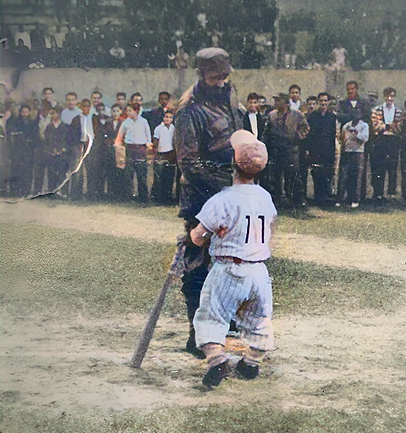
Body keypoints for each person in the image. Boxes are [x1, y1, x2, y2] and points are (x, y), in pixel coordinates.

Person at [190, 130, 277, 388]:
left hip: (230, 269)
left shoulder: (224, 198)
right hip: (260, 271)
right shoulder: (265, 196)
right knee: (259, 319)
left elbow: (198, 236)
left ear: (233, 164)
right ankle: (251, 362)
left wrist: (198, 235)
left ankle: (218, 361)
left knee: (210, 316)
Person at [173, 47, 244, 357]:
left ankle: (225, 328)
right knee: (198, 268)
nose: (221, 82)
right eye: (215, 77)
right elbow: (188, 162)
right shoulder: (189, 110)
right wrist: (222, 194)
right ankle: (197, 335)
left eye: (225, 76)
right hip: (203, 199)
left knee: (233, 266)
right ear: (202, 74)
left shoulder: (230, 101)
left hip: (233, 194)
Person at [262, 93, 309, 208]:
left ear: (285, 103)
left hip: (290, 150)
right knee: (275, 177)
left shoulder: (296, 114)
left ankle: (297, 200)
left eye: (279, 101)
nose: (276, 103)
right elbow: (266, 132)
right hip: (276, 150)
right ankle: (276, 201)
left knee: (294, 176)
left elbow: (305, 128)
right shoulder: (272, 115)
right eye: (275, 101)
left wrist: (296, 137)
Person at [369, 87, 403, 204]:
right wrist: (388, 126)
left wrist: (387, 126)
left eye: (392, 96)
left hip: (393, 140)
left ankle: (392, 193)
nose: (389, 98)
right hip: (381, 140)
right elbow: (375, 126)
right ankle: (378, 193)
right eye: (387, 96)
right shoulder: (377, 110)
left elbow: (399, 128)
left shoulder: (398, 111)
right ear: (384, 96)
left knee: (393, 167)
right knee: (379, 167)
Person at [114, 102, 152, 203]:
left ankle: (143, 197)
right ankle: (129, 196)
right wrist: (119, 149)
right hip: (129, 149)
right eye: (127, 110)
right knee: (129, 173)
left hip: (141, 149)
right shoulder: (125, 123)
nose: (128, 112)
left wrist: (147, 147)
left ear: (136, 111)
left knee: (142, 174)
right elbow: (119, 137)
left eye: (130, 110)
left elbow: (148, 136)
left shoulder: (144, 121)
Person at [306, 92, 336, 206]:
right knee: (317, 174)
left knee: (326, 175)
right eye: (321, 101)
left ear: (328, 102)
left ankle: (325, 198)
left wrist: (332, 151)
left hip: (327, 150)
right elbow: (310, 135)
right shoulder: (312, 117)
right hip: (316, 150)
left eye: (325, 101)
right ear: (318, 102)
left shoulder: (332, 117)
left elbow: (332, 135)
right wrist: (310, 150)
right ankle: (318, 198)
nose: (323, 103)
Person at [336, 108, 369, 209]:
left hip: (358, 153)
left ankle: (355, 199)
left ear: (361, 114)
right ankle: (340, 199)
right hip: (347, 152)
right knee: (343, 176)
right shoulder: (347, 125)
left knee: (356, 177)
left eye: (357, 113)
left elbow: (365, 138)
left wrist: (356, 133)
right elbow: (342, 138)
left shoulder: (364, 125)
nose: (355, 115)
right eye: (353, 113)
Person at [6, 105, 39, 197]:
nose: (25, 114)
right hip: (18, 150)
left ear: (29, 112)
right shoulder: (16, 123)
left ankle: (26, 190)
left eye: (26, 112)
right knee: (17, 169)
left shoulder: (33, 123)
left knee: (28, 170)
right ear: (20, 113)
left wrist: (30, 141)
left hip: (28, 150)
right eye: (23, 112)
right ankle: (15, 190)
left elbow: (35, 136)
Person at [151, 109, 176, 205]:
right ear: (163, 117)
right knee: (159, 176)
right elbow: (155, 142)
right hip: (160, 154)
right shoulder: (158, 128)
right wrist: (155, 154)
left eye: (170, 117)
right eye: (166, 117)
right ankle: (157, 196)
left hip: (170, 154)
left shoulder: (173, 128)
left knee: (169, 176)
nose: (168, 119)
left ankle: (167, 196)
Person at [44, 106, 69, 192]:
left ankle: (63, 191)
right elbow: (46, 140)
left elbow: (67, 140)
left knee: (62, 173)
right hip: (51, 153)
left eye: (53, 113)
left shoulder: (65, 127)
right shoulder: (49, 127)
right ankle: (51, 191)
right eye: (51, 114)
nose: (52, 116)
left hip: (62, 154)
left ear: (58, 114)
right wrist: (49, 150)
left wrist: (63, 149)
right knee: (51, 173)